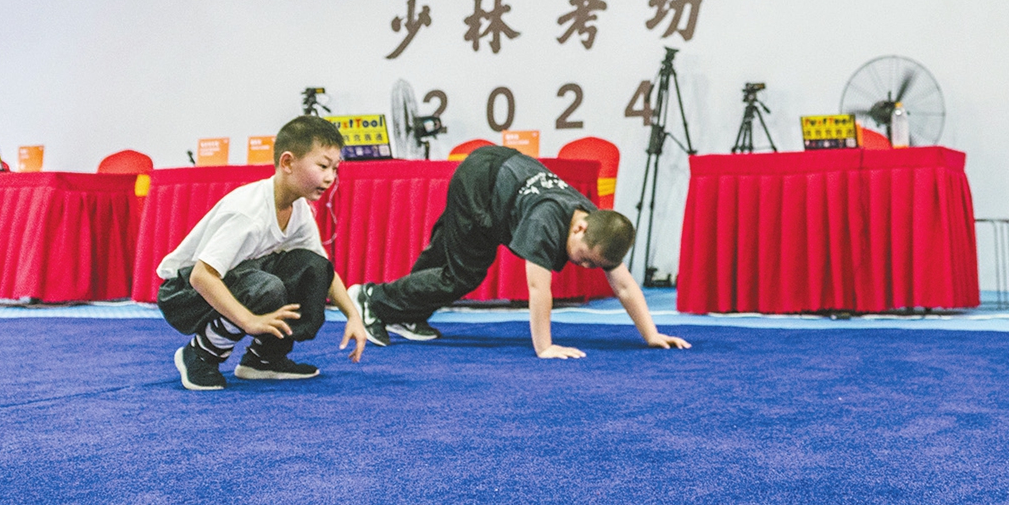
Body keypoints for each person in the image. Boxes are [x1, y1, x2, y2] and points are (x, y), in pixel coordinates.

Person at [350, 145, 691, 358]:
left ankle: (405, 314)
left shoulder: (596, 224)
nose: (585, 266)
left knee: (446, 253)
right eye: (585, 258)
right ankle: (371, 299)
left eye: (593, 265)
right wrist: (545, 347)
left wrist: (651, 334)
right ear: (579, 227)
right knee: (463, 273)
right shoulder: (548, 221)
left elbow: (625, 285)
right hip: (480, 182)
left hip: (501, 171)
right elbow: (538, 289)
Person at [156, 115, 372, 390]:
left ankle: (265, 358)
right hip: (184, 293)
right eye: (322, 166)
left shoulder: (300, 210)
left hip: (241, 279)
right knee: (266, 288)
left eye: (335, 168)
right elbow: (202, 276)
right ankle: (200, 354)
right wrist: (250, 321)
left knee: (313, 268)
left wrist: (353, 315)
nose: (330, 178)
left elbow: (322, 270)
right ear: (287, 162)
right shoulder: (248, 212)